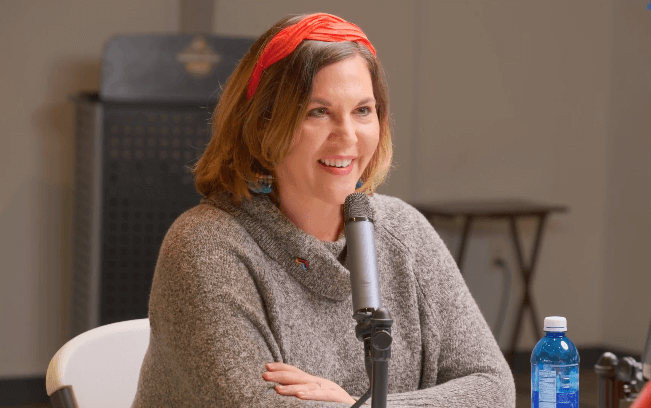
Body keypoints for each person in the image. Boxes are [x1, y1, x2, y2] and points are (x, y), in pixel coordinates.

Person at [132, 12, 516, 407]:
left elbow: (494, 389)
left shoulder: (405, 231)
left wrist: (359, 404)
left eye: (362, 111)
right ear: (262, 125)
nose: (347, 137)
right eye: (318, 111)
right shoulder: (205, 247)